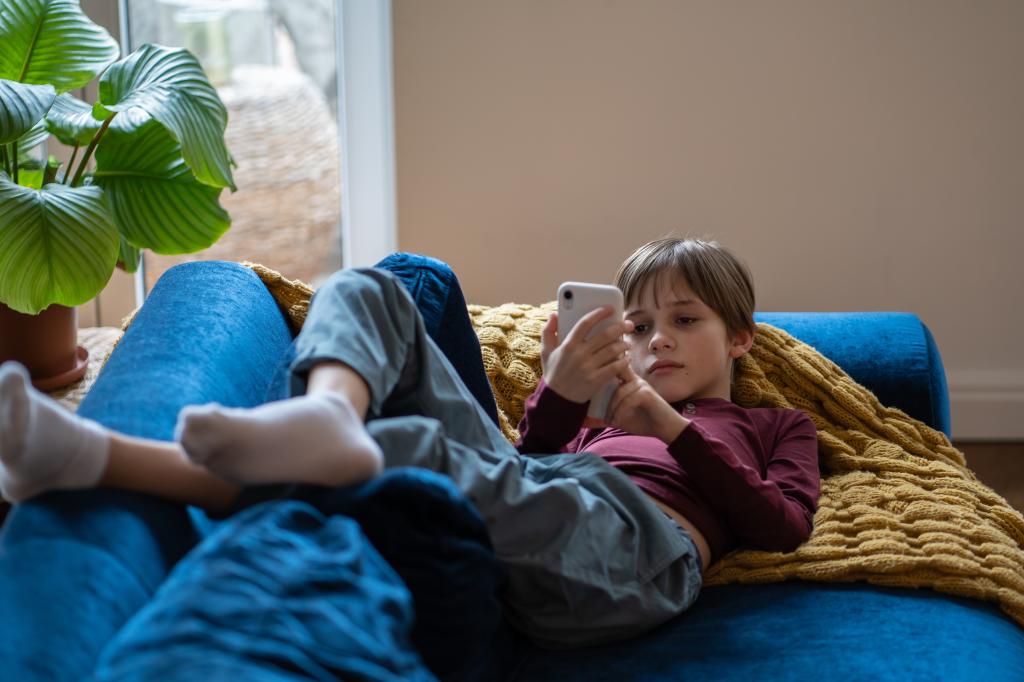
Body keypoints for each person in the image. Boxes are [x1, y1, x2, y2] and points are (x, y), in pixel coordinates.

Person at [0, 237, 820, 649]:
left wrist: (669, 431)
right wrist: (564, 393)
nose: (657, 341)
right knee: (373, 289)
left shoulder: (774, 425)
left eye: (686, 322)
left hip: (644, 555)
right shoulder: (614, 403)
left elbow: (778, 523)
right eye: (639, 325)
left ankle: (100, 457)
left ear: (742, 337)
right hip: (551, 508)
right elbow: (527, 467)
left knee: (411, 452)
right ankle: (326, 415)